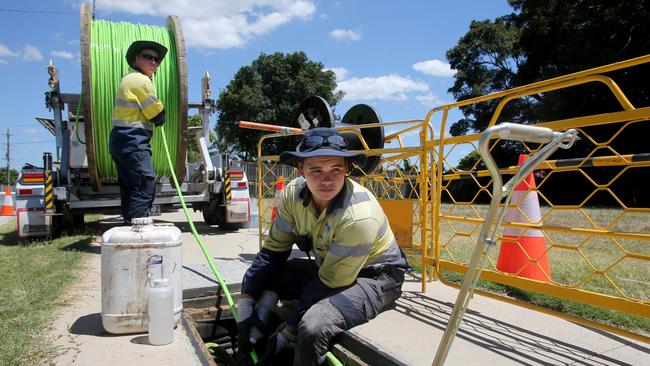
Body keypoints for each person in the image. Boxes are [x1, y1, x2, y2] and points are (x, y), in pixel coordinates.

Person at [237, 127, 411, 365]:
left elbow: (329, 284)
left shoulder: (359, 217)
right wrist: (246, 304)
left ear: (347, 169)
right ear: (301, 170)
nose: (326, 180)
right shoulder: (292, 195)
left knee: (313, 325)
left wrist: (285, 334)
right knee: (271, 277)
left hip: (376, 278)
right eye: (316, 170)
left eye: (336, 169)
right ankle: (254, 330)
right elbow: (273, 252)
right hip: (331, 268)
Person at [109, 40, 167, 224]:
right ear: (136, 59)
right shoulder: (140, 80)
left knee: (131, 189)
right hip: (132, 140)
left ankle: (129, 229)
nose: (153, 62)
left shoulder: (128, 78)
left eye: (156, 59)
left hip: (122, 140)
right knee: (144, 185)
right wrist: (161, 109)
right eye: (148, 57)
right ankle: (138, 234)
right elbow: (156, 115)